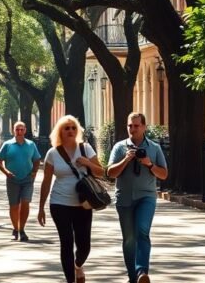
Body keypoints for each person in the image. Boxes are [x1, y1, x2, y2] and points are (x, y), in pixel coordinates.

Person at [37, 115, 102, 283]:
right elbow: (46, 182)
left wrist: (87, 163)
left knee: (84, 246)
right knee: (66, 242)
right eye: (67, 128)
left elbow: (101, 172)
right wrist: (41, 208)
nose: (71, 131)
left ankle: (78, 265)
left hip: (83, 204)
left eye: (73, 128)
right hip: (59, 203)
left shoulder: (86, 148)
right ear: (60, 132)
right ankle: (70, 280)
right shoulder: (53, 153)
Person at [107, 112, 169, 283]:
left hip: (146, 197)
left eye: (136, 126)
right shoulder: (119, 147)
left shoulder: (154, 148)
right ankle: (133, 276)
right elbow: (110, 173)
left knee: (142, 231)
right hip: (124, 198)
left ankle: (142, 272)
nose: (132, 129)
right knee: (129, 239)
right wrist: (126, 160)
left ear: (144, 127)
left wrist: (149, 164)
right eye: (130, 126)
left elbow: (164, 174)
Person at [0, 120, 41, 242]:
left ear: (25, 130)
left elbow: (37, 160)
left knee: (25, 203)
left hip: (27, 179)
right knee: (14, 205)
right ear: (13, 131)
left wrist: (34, 172)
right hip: (12, 179)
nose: (19, 132)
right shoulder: (7, 145)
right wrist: (6, 172)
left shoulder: (31, 144)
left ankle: (22, 229)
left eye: (22, 129)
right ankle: (15, 228)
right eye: (17, 129)